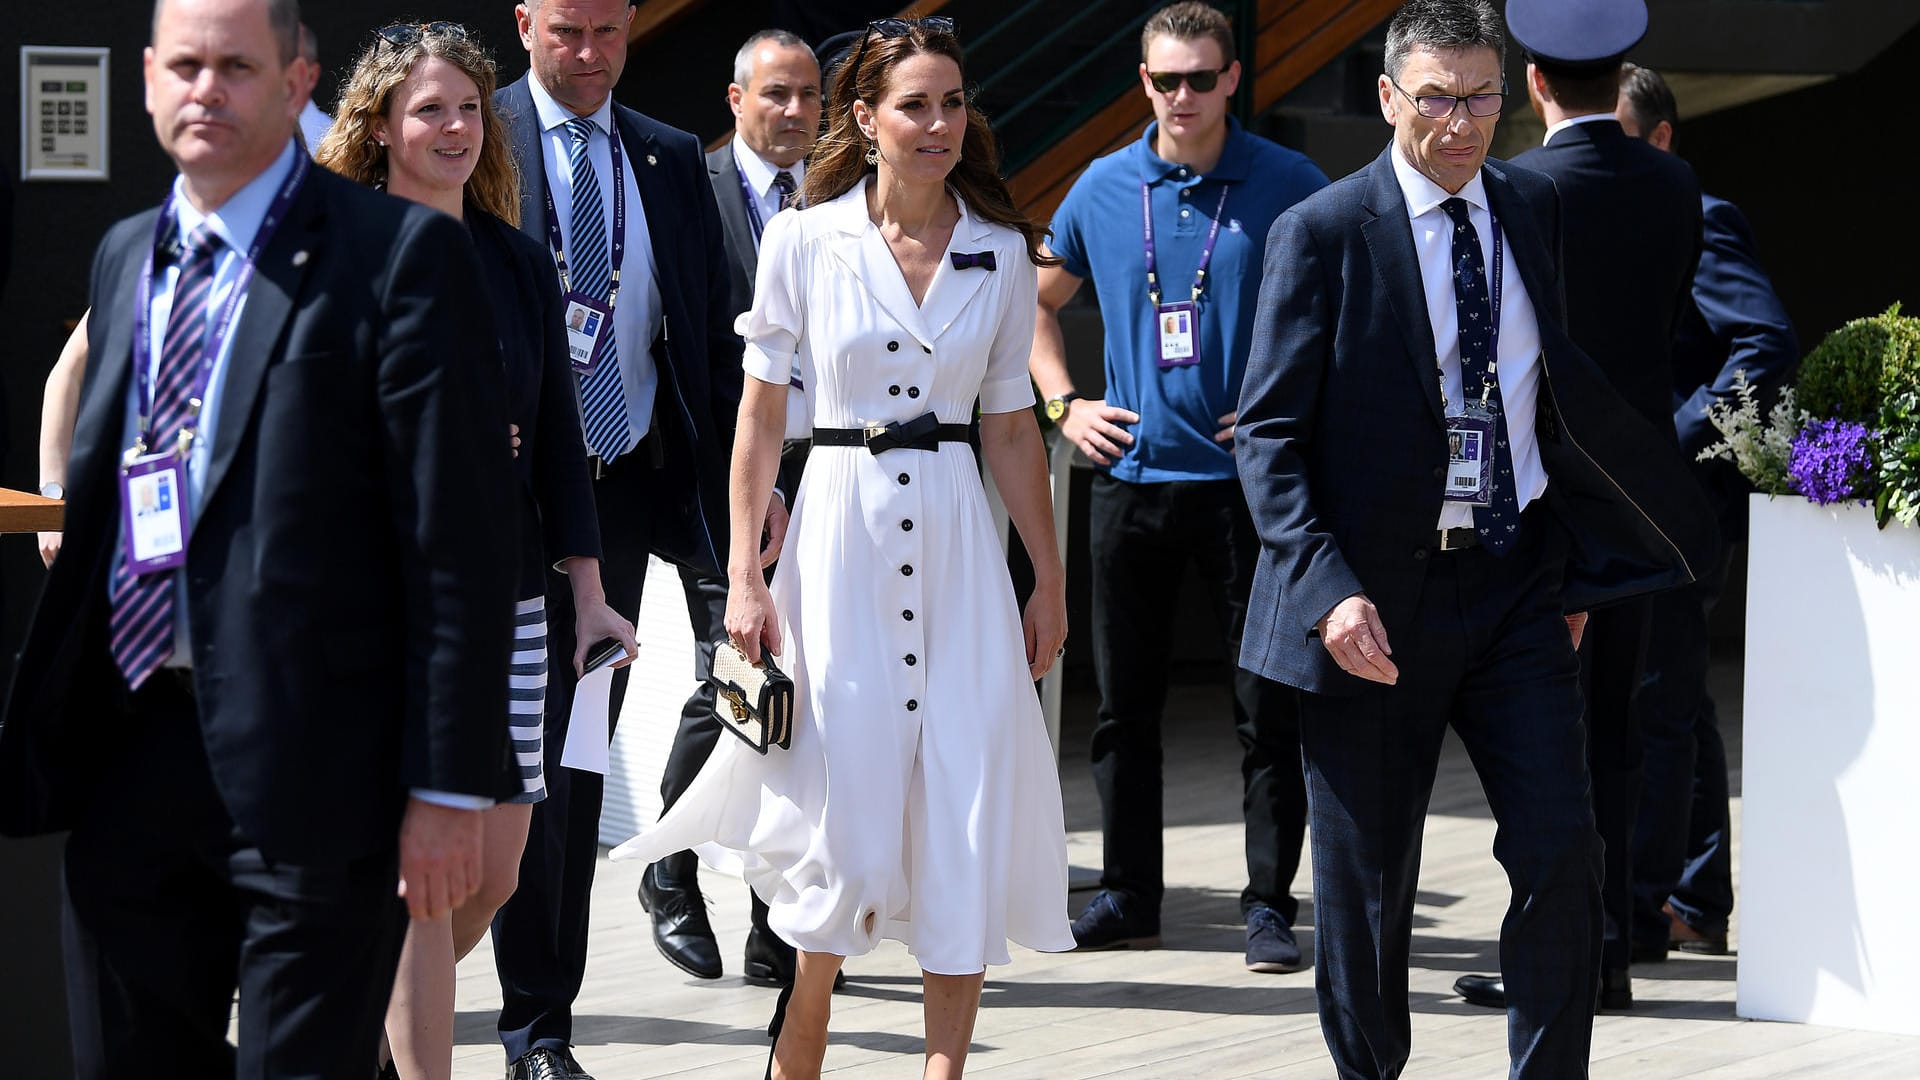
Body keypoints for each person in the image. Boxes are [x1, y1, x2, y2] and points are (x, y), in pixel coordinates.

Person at [0, 0, 520, 1075]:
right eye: (184, 65)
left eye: (236, 66)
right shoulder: (124, 255)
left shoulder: (400, 257)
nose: (206, 89)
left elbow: (457, 541)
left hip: (323, 774)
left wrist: (449, 788)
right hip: (131, 750)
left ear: (296, 85)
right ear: (146, 80)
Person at [1234, 0, 1720, 1074]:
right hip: (1369, 603)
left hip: (1516, 588)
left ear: (1514, 94)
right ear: (1388, 98)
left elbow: (1561, 401)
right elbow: (1267, 436)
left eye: (1484, 97)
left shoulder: (1534, 207)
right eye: (1439, 98)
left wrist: (1584, 560)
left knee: (1562, 852)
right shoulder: (1321, 232)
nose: (1462, 123)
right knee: (1366, 891)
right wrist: (1327, 591)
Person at [610, 16, 1075, 1079]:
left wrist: (1047, 579)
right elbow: (760, 420)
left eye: (954, 103)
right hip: (838, 537)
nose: (939, 124)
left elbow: (1009, 427)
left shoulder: (1001, 253)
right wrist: (743, 575)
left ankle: (943, 1067)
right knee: (840, 800)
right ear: (863, 119)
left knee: (964, 794)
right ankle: (805, 1023)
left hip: (961, 544)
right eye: (915, 104)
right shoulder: (805, 242)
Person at [312, 22, 638, 1080]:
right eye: (427, 110)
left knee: (495, 875)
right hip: (382, 599)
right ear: (380, 126)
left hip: (513, 597)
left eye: (466, 109)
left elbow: (557, 443)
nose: (453, 128)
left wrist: (588, 590)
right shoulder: (337, 248)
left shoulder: (508, 257)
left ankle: (348, 1005)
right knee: (426, 875)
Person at [487, 3, 762, 1077]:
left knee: (578, 761)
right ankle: (507, 1023)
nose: (592, 52)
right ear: (524, 25)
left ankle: (541, 1027)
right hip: (505, 508)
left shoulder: (663, 154)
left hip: (628, 497)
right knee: (522, 774)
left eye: (610, 29)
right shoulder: (475, 137)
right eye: (569, 30)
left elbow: (701, 335)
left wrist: (741, 500)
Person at [1027, 0, 1326, 972]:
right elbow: (1031, 302)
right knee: (1124, 707)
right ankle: (1128, 895)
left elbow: (1353, 307)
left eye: (1203, 77)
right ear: (1143, 83)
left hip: (1250, 490)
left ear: (1234, 78)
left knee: (1266, 704)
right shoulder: (1105, 186)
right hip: (1132, 482)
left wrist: (1297, 409)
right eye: (1167, 80)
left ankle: (1270, 903)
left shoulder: (1287, 183)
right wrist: (1065, 403)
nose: (1184, 96)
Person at [1451, 0, 1705, 1014]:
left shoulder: (1519, 187)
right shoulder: (1677, 184)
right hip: (1640, 498)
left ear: (1535, 83)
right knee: (1616, 728)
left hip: (1547, 500)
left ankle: (1563, 956)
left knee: (1540, 738)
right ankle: (1605, 948)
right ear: (1616, 76)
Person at [641, 27, 825, 987]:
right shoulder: (690, 190)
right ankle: (669, 869)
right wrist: (755, 487)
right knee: (734, 681)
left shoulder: (843, 197)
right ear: (735, 99)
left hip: (829, 478)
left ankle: (772, 918)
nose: (793, 112)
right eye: (775, 95)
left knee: (799, 696)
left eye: (807, 94)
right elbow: (685, 349)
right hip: (724, 480)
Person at [1617, 61, 1798, 961]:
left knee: (1661, 705)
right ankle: (1693, 896)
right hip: (1626, 506)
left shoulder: (1702, 215)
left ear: (1662, 140)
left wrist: (1673, 437)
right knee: (1675, 705)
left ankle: (1656, 908)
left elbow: (1763, 340)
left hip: (1680, 502)